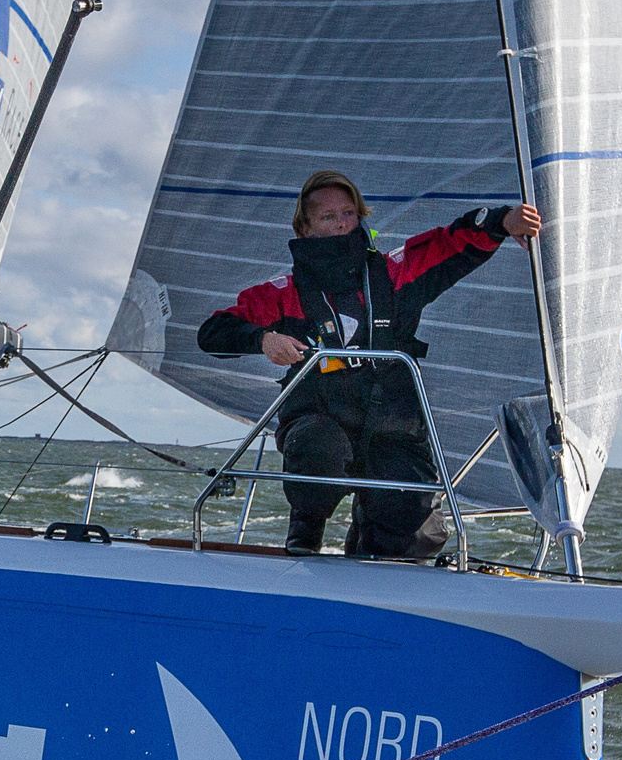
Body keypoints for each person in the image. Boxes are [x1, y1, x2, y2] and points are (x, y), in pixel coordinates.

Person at [198, 172, 541, 558]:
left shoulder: (394, 274)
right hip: (319, 420)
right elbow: (212, 333)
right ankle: (307, 528)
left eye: (349, 214)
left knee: (411, 535)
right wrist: (263, 340)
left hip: (392, 425)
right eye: (328, 217)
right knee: (319, 447)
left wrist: (502, 221)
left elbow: (450, 244)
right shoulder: (281, 295)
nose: (342, 224)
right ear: (304, 228)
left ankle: (369, 542)